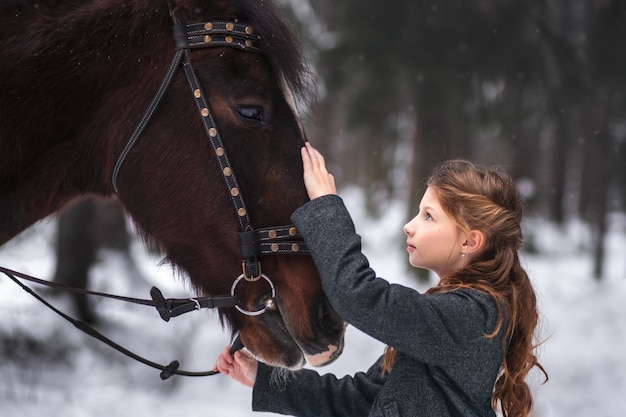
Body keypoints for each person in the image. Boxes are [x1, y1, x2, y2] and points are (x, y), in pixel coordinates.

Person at [214, 142, 547, 417]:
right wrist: (263, 379)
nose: (410, 225)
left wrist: (326, 208)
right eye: (418, 212)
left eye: (429, 216)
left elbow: (358, 296)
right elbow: (358, 399)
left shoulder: (473, 316)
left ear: (469, 242)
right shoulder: (450, 314)